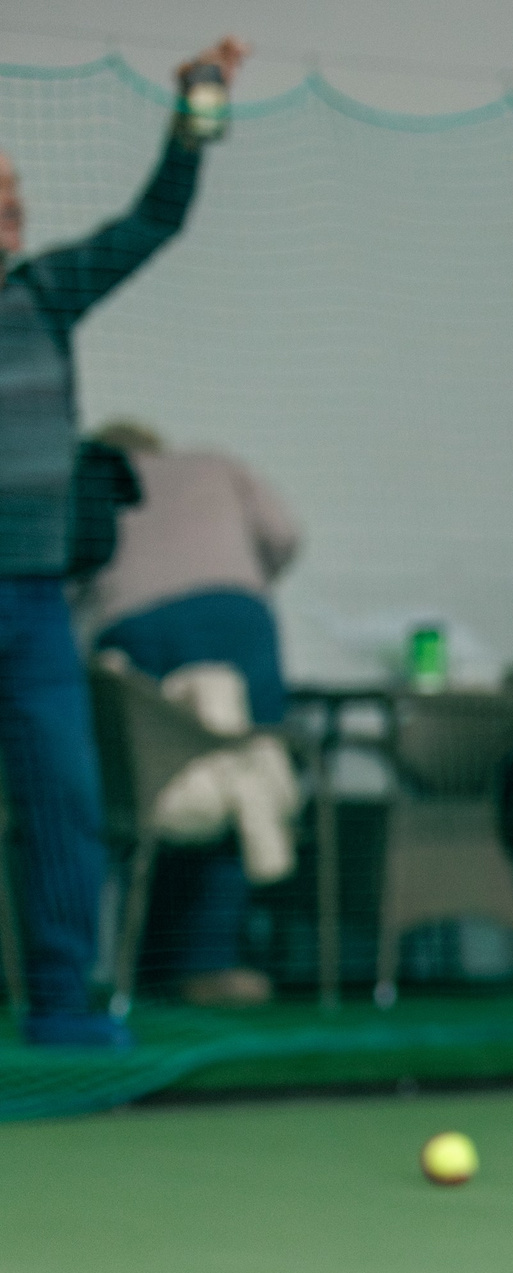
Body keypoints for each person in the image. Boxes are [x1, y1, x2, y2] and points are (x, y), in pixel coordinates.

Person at [0, 35, 247, 1047]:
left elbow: (156, 219)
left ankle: (63, 1009)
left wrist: (198, 109)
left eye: (14, 192)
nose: (13, 208)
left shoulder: (45, 295)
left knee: (65, 801)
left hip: (35, 608)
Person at [78, 421, 300, 1006]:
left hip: (132, 629)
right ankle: (208, 964)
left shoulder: (96, 480)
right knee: (237, 776)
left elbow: (74, 571)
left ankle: (145, 959)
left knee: (152, 789)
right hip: (235, 617)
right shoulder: (214, 463)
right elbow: (284, 535)